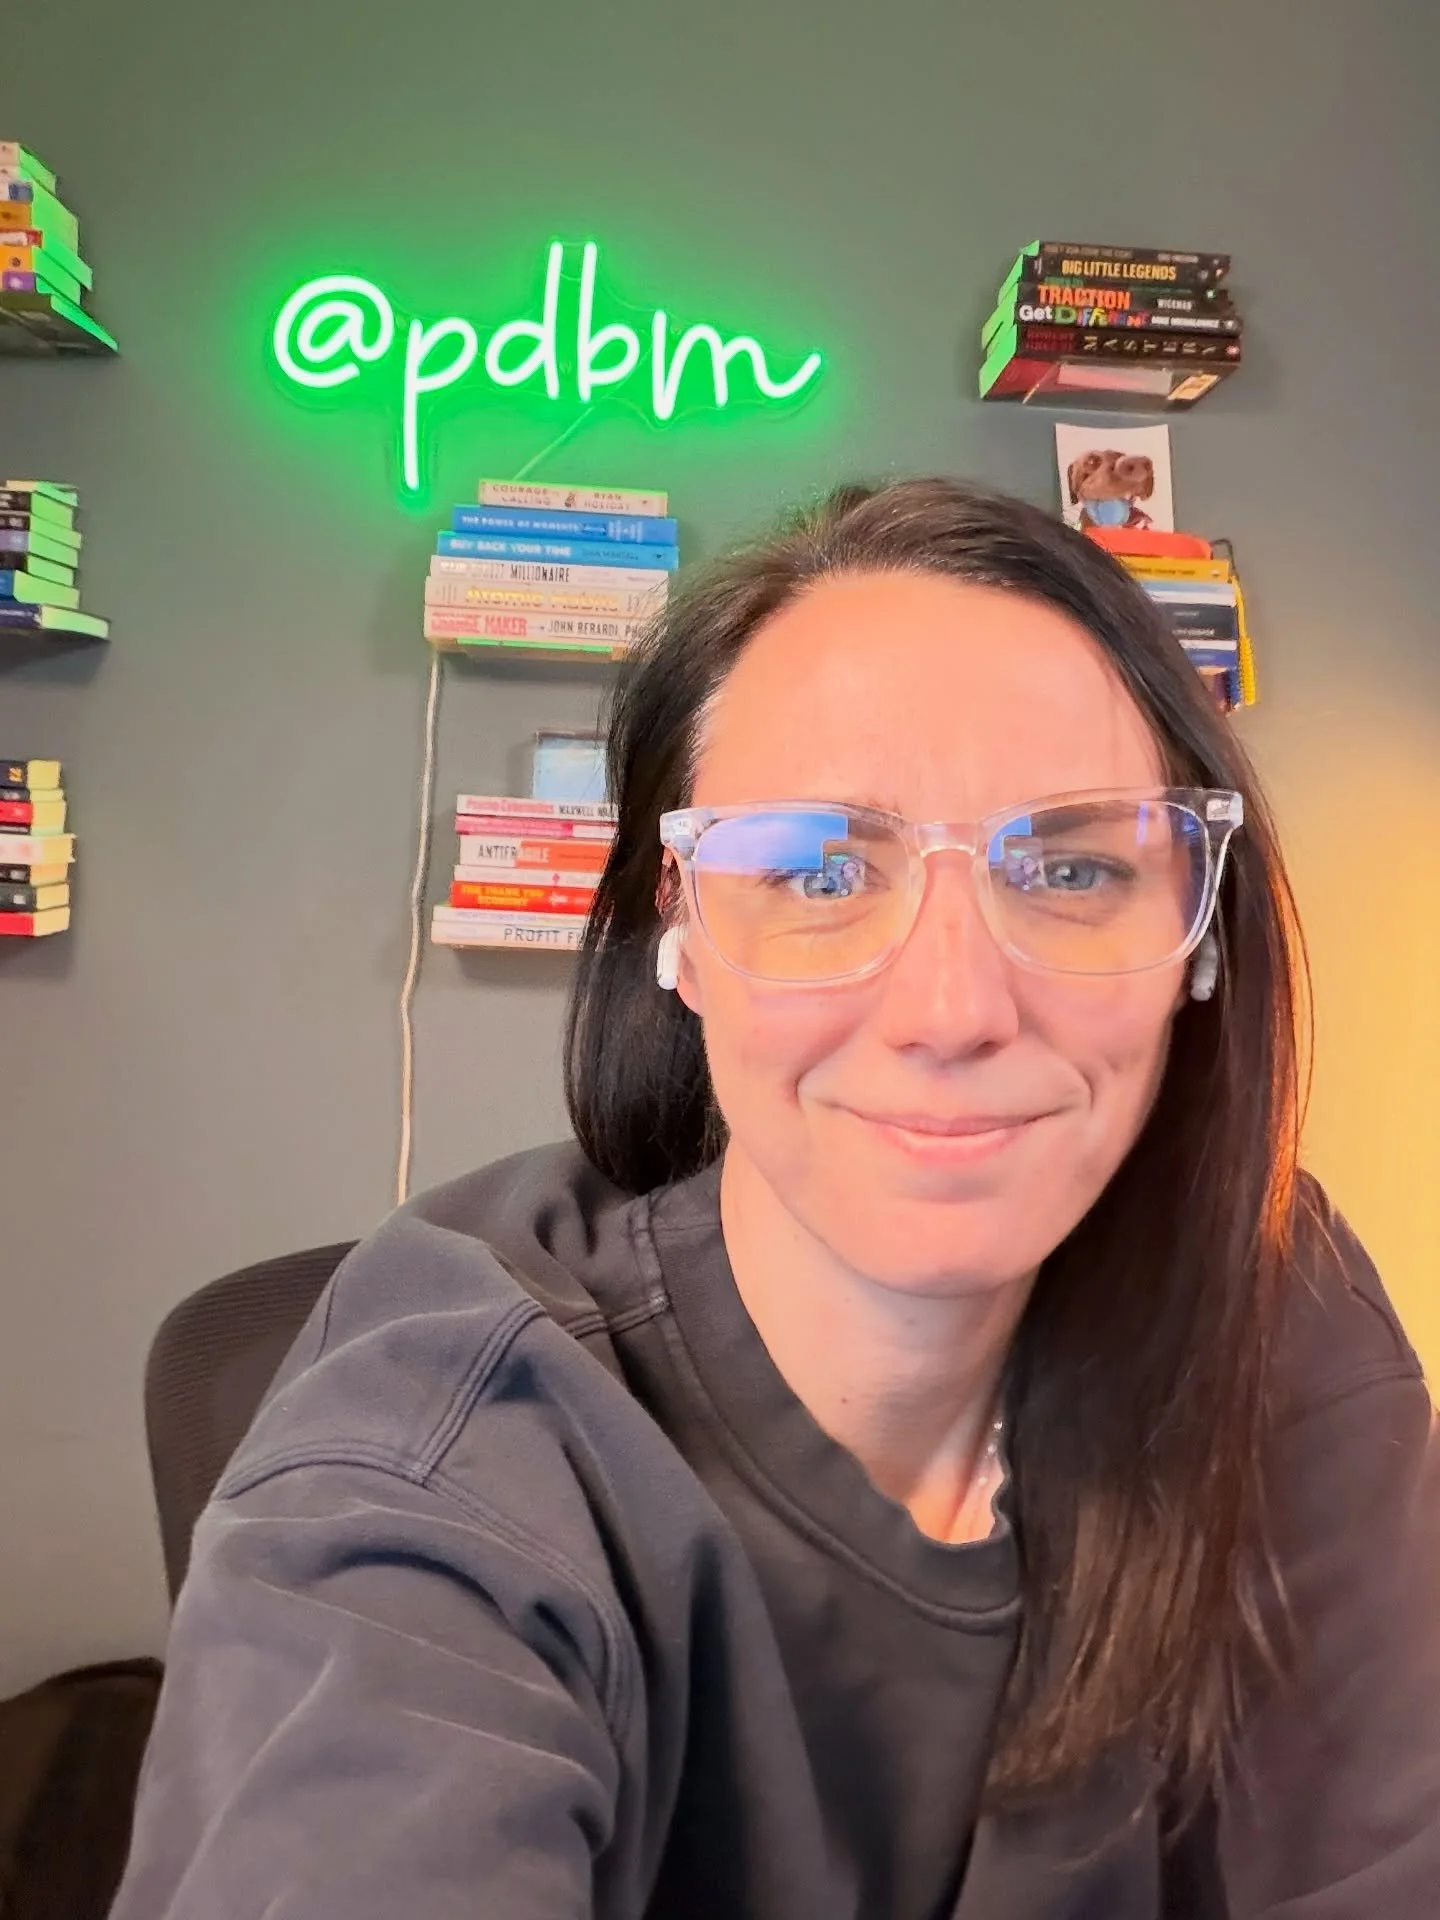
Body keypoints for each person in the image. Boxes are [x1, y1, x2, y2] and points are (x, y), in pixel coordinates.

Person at [112, 480, 1438, 1920]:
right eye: (817, 868)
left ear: (1196, 933)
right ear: (674, 933)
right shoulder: (448, 1449)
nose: (951, 1007)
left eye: (1069, 867)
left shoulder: (1268, 1298)